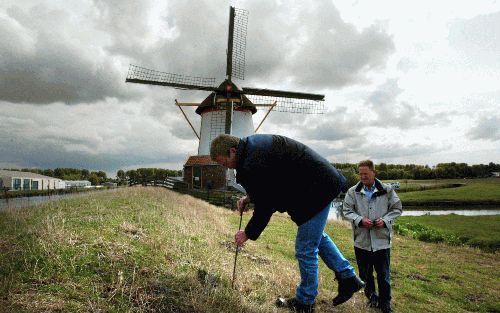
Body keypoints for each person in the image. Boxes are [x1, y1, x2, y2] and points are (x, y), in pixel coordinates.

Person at [210, 134, 364, 313]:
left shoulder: (252, 161)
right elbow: (269, 182)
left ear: (232, 151)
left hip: (317, 188)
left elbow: (266, 204)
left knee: (305, 247)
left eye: (223, 163)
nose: (225, 167)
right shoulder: (253, 149)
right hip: (318, 185)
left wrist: (248, 233)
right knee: (315, 238)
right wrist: (250, 197)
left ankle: (305, 302)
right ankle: (348, 278)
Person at [342, 160, 402, 313]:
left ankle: (385, 303)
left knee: (383, 275)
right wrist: (360, 220)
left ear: (374, 172)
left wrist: (385, 221)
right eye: (360, 174)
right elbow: (346, 211)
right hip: (361, 242)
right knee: (366, 275)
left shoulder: (387, 190)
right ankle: (372, 299)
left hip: (382, 243)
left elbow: (397, 209)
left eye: (366, 174)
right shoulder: (352, 191)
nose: (362, 177)